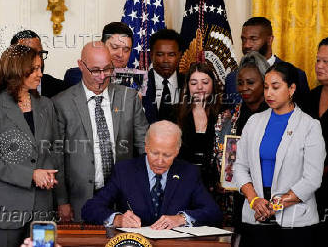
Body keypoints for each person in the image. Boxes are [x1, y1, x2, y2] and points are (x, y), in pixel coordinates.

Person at [0, 45, 65, 247]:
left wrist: (60, 198)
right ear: (17, 70)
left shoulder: (47, 105)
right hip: (3, 210)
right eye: (34, 69)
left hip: (43, 209)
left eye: (40, 68)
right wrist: (31, 175)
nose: (40, 74)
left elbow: (55, 152)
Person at [53, 41, 148, 222]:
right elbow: (57, 157)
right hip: (80, 198)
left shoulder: (130, 98)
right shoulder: (61, 103)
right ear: (81, 66)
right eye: (95, 70)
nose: (102, 76)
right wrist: (62, 201)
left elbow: (144, 146)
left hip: (124, 197)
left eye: (107, 69)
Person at [234, 62, 326, 247]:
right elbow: (240, 167)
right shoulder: (254, 121)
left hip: (295, 222)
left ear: (292, 88)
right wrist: (254, 200)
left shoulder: (309, 126)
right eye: (266, 87)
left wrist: (276, 205)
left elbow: (312, 178)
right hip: (256, 215)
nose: (268, 93)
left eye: (276, 87)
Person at [81, 121, 222, 228]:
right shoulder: (124, 171)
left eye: (167, 155)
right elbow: (90, 209)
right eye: (154, 153)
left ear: (177, 151)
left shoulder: (188, 173)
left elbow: (213, 212)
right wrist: (118, 219)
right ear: (146, 146)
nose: (160, 161)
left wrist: (181, 219)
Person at [213, 52, 269, 236]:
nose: (244, 88)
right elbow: (218, 156)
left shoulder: (277, 117)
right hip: (232, 199)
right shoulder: (227, 117)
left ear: (265, 82)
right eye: (240, 82)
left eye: (250, 83)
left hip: (266, 197)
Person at [224, 17, 309, 107]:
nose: (246, 45)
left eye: (253, 39)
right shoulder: (232, 78)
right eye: (243, 39)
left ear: (270, 40)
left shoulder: (296, 75)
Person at [303, 37, 328, 241]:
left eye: (327, 62)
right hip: (308, 188)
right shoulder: (309, 98)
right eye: (318, 60)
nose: (319, 66)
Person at [177, 62, 221, 190]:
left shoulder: (224, 114)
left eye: (205, 83)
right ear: (187, 86)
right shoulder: (174, 112)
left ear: (213, 84)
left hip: (213, 184)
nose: (199, 87)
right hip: (181, 182)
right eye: (194, 83)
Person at [63, 22, 133, 87]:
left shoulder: (135, 83)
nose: (120, 54)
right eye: (114, 47)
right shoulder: (78, 76)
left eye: (126, 50)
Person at [142, 29, 185, 124]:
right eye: (160, 54)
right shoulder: (140, 83)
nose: (166, 60)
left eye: (171, 55)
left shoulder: (188, 83)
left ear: (179, 56)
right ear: (151, 55)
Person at [11, 30, 66, 98]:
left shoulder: (61, 90)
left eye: (40, 54)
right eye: (30, 55)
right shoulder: (0, 92)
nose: (38, 60)